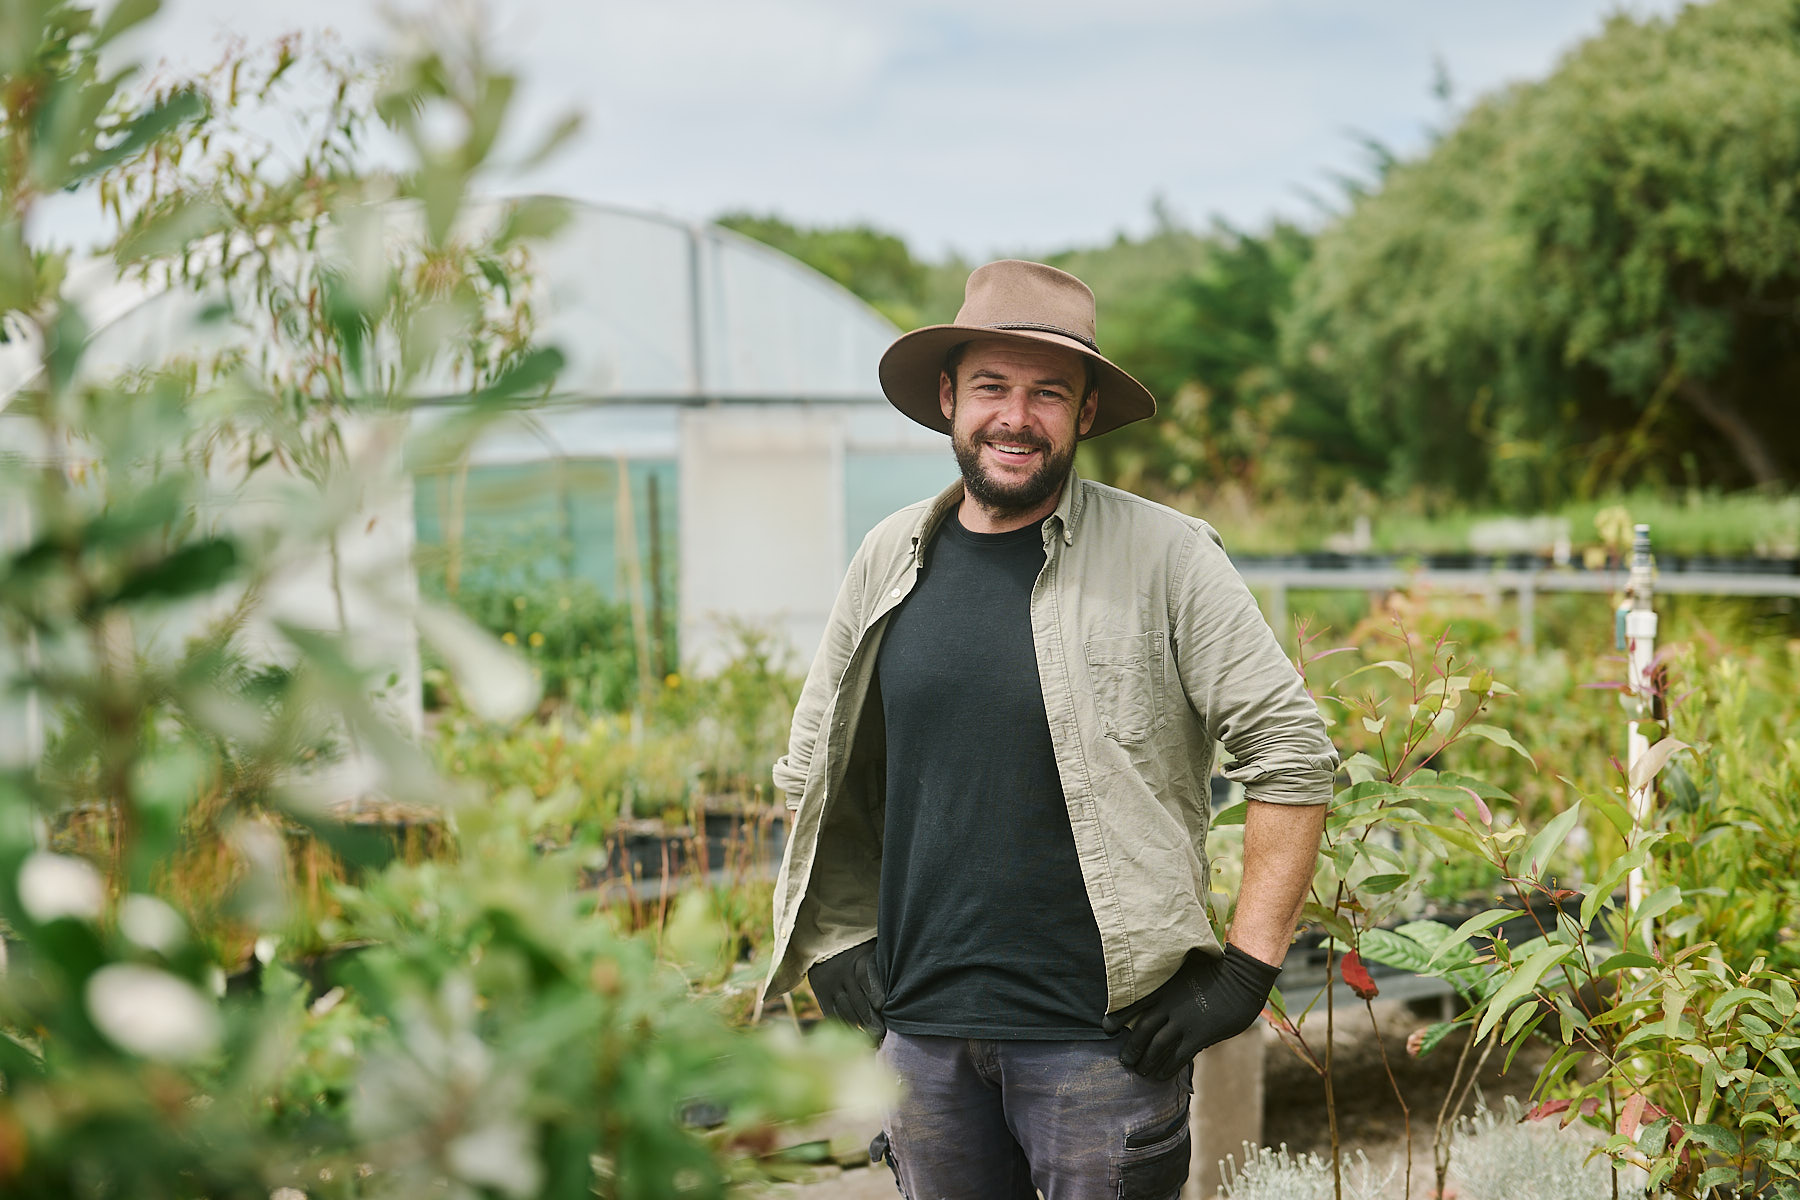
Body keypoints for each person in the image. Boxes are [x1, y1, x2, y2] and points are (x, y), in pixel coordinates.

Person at [762, 259, 1337, 1200]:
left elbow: (1292, 755)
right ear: (949, 398)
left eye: (1048, 394)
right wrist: (835, 942)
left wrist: (1245, 972)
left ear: (1087, 414)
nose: (1015, 417)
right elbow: (814, 769)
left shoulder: (1168, 558)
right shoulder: (888, 556)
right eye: (991, 386)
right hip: (921, 1041)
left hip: (1102, 1046)